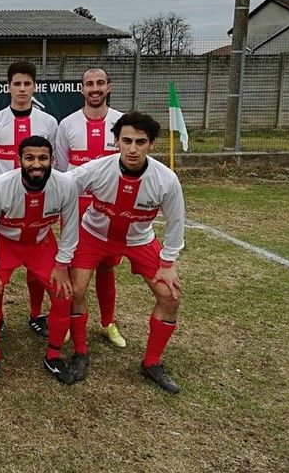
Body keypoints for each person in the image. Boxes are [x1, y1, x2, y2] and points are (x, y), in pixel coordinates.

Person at [69, 112, 184, 394]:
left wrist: (168, 262)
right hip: (94, 236)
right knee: (76, 291)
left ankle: (151, 363)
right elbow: (61, 185)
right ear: (116, 141)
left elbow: (176, 222)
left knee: (169, 297)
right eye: (127, 141)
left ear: (151, 144)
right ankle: (80, 353)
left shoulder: (166, 180)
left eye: (140, 142)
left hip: (139, 241)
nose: (133, 148)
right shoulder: (97, 169)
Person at [0, 135, 78, 386]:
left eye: (43, 158)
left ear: (52, 160)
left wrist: (62, 265)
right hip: (5, 243)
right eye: (29, 158)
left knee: (64, 295)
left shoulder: (66, 185)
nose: (36, 164)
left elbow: (70, 228)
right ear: (19, 160)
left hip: (41, 243)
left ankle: (53, 356)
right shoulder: (0, 186)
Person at [0, 60, 59, 339]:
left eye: (27, 84)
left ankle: (36, 315)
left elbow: (53, 162)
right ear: (8, 87)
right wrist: (4, 189)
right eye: (17, 84)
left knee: (38, 268)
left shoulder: (49, 122)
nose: (22, 89)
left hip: (39, 202)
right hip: (6, 208)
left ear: (34, 86)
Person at [54, 68, 126, 348]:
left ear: (109, 87)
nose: (95, 88)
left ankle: (108, 322)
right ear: (81, 89)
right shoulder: (67, 124)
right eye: (89, 84)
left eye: (100, 83)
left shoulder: (122, 122)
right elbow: (64, 168)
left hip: (110, 208)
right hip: (76, 207)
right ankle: (70, 321)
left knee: (107, 268)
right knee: (74, 267)